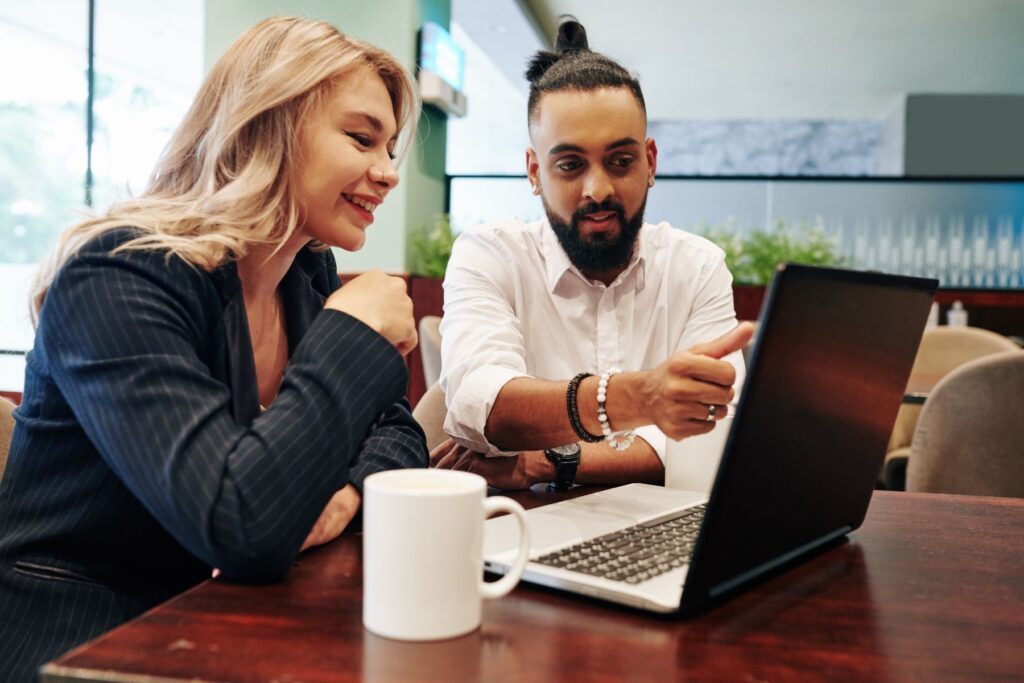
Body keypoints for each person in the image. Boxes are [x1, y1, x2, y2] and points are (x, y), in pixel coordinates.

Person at [0, 17, 427, 680]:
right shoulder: (116, 276)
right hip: (82, 636)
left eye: (390, 148)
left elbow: (397, 436)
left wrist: (340, 497)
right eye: (361, 137)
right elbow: (244, 525)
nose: (387, 172)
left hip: (220, 613)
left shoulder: (305, 277)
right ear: (268, 123)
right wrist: (354, 336)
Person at [433, 19, 753, 490]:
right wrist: (644, 398)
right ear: (534, 170)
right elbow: (483, 404)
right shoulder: (490, 255)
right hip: (524, 527)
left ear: (651, 163)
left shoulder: (697, 268)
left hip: (661, 527)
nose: (597, 189)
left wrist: (550, 461)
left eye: (621, 162)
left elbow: (709, 440)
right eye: (570, 165)